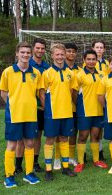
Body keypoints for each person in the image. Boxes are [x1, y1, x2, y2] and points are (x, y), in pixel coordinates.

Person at [0, 42, 41, 188]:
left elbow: (38, 93)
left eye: (28, 53)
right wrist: (14, 105)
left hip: (31, 115)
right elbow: (4, 93)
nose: (25, 55)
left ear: (31, 54)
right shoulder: (8, 72)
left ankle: (29, 173)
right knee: (12, 145)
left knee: (30, 143)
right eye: (22, 52)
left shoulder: (36, 73)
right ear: (17, 53)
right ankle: (9, 176)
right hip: (14, 115)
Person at [39, 43, 77, 181]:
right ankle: (48, 170)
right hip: (52, 113)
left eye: (62, 54)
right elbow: (42, 93)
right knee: (50, 139)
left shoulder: (70, 73)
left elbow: (72, 91)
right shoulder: (47, 73)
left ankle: (65, 167)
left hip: (67, 112)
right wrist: (47, 109)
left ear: (65, 55)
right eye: (57, 54)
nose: (60, 57)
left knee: (64, 138)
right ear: (52, 55)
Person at [15, 38, 50, 175]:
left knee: (37, 136)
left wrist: (45, 105)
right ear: (33, 49)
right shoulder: (24, 63)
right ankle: (18, 165)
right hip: (25, 109)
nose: (40, 51)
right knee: (21, 138)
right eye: (37, 48)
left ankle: (34, 163)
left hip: (40, 108)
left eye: (42, 48)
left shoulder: (47, 67)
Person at [73, 50, 108, 173]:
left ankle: (96, 160)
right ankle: (81, 162)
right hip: (85, 110)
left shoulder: (102, 74)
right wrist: (79, 106)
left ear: (96, 60)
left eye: (93, 59)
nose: (91, 61)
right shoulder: (79, 75)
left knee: (95, 136)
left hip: (98, 110)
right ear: (84, 60)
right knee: (83, 136)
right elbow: (74, 93)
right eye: (89, 59)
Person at [54, 42, 82, 170]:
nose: (71, 53)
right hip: (60, 108)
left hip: (74, 108)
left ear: (76, 53)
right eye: (68, 51)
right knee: (59, 135)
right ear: (64, 54)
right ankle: (57, 158)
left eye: (73, 51)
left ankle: (71, 156)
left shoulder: (79, 70)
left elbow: (77, 91)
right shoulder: (57, 69)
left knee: (72, 133)